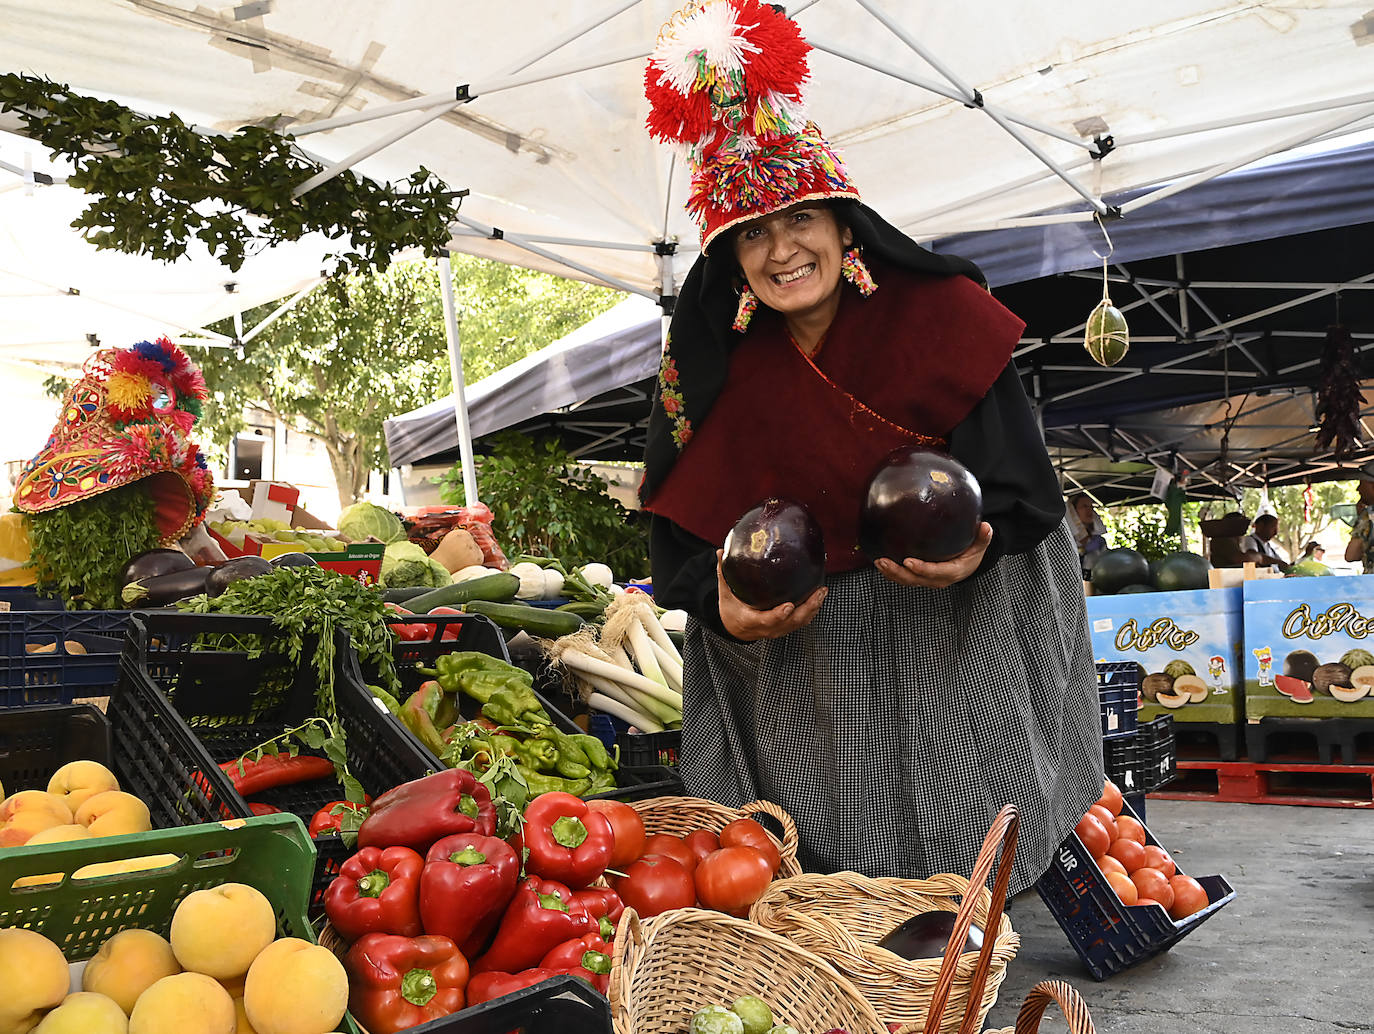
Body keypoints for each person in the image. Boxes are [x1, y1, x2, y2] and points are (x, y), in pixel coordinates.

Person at [638, 0, 1103, 896]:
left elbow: (1021, 492)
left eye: (799, 219)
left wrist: (979, 547)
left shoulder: (941, 318)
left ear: (846, 226)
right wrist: (722, 607)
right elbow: (682, 528)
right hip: (809, 659)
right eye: (753, 235)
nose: (782, 251)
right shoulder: (707, 371)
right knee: (828, 878)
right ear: (731, 260)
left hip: (957, 631)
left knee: (964, 853)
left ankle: (958, 969)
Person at [1066, 493, 1109, 577]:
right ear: (1073, 511)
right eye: (1084, 506)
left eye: (1091, 507)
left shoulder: (1098, 541)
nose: (1089, 510)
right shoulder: (1066, 539)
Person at [1344, 462, 1374, 573]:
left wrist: (1360, 520)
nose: (1358, 489)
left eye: (1362, 483)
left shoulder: (1369, 516)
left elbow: (1351, 555)